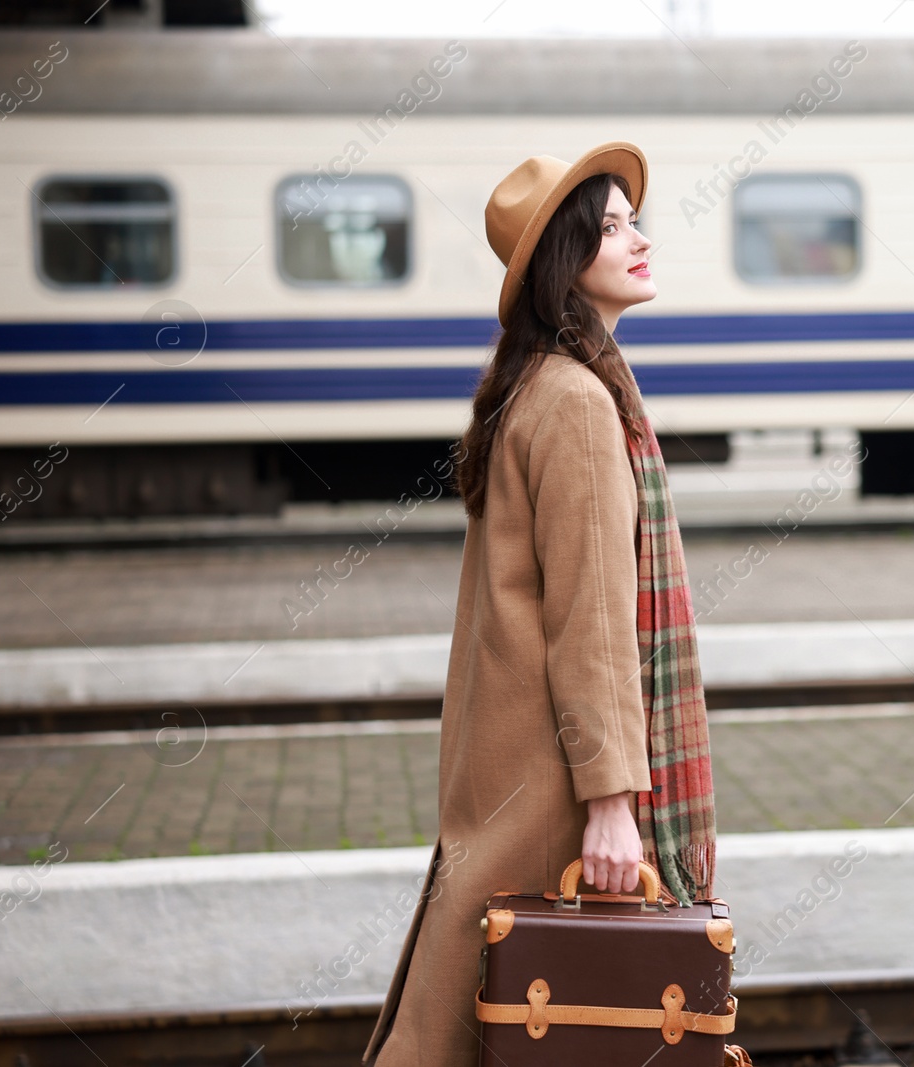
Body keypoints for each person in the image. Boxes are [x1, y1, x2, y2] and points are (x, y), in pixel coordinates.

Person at [363, 141, 717, 1067]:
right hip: (555, 789)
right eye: (609, 228)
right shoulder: (579, 404)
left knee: (483, 1015)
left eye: (631, 220)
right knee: (526, 1028)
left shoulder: (533, 388)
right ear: (567, 261)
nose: (638, 238)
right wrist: (612, 802)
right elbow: (592, 620)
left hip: (507, 767)